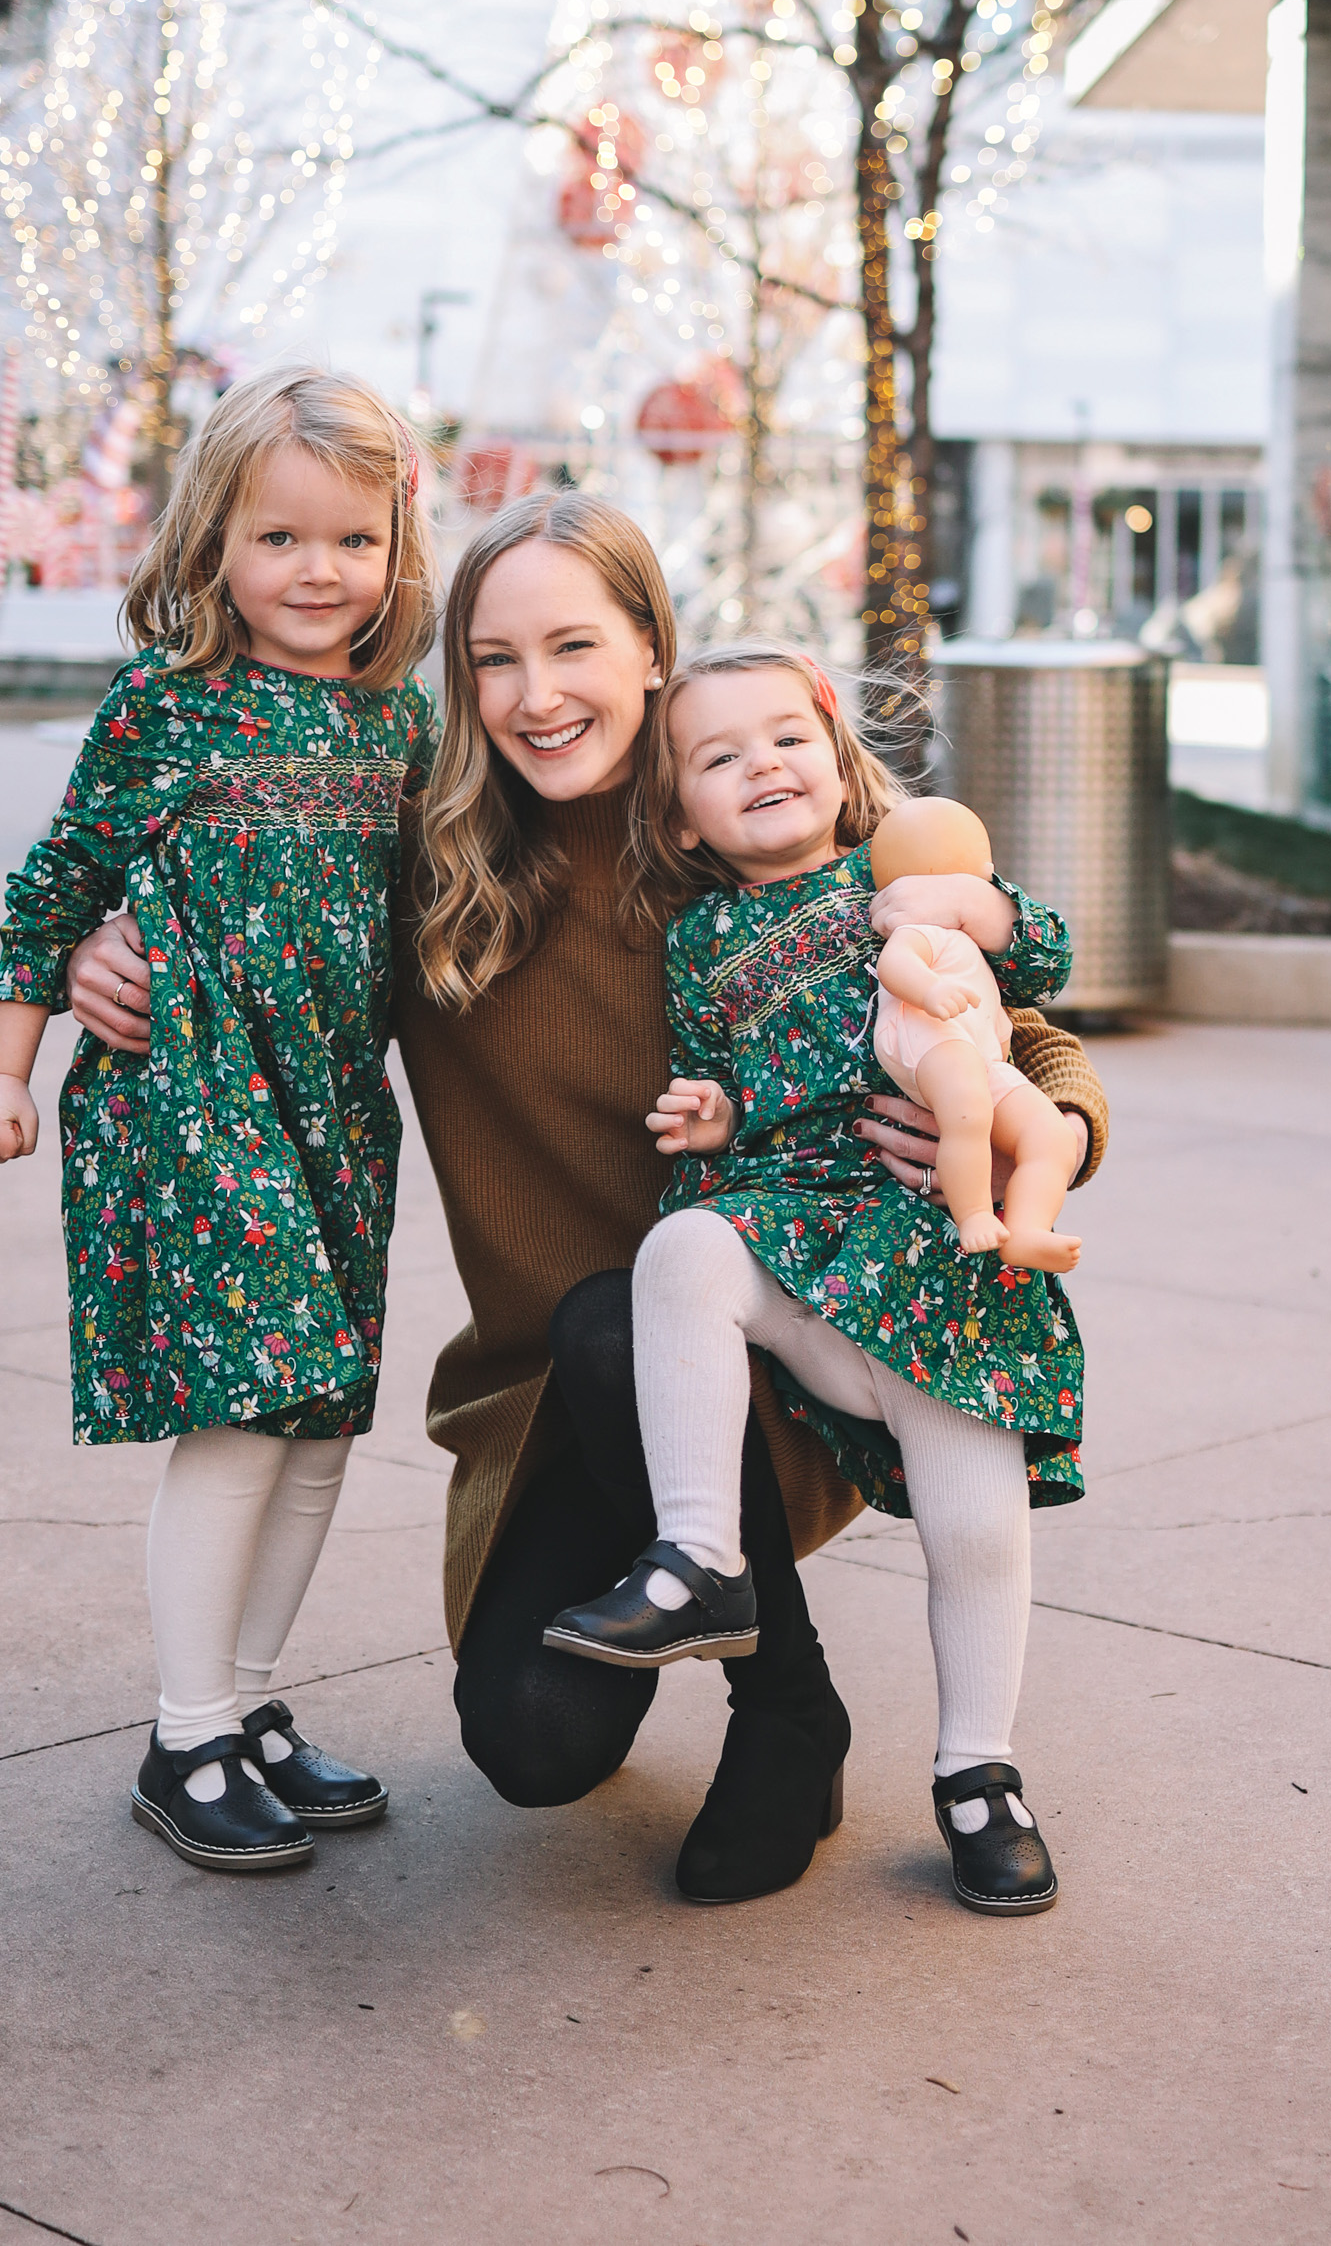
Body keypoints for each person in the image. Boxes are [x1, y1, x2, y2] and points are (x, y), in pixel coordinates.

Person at [65, 492, 1109, 1906]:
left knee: (644, 1297)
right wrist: (112, 953)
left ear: (651, 655)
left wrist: (1049, 1125)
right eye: (494, 659)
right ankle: (710, 1624)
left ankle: (787, 1712)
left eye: (574, 646)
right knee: (532, 1745)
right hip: (560, 1391)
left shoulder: (747, 814)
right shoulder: (426, 868)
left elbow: (993, 997)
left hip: (774, 1358)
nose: (537, 695)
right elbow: (253, 924)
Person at [0, 369, 440, 1874]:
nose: (318, 572)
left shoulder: (401, 726)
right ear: (213, 542)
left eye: (352, 542)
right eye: (280, 538)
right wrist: (4, 1067)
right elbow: (58, 882)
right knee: (251, 1400)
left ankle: (240, 1706)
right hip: (185, 1089)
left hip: (331, 1111)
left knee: (319, 1421)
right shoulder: (167, 707)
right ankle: (184, 1742)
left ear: (396, 550)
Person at [544, 644, 1085, 1915]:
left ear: (839, 758)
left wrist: (981, 913)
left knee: (976, 1523)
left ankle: (978, 1774)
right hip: (794, 1234)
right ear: (681, 813)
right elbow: (728, 1072)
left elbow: (1045, 961)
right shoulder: (703, 938)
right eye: (718, 758)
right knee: (678, 1249)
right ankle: (697, 1560)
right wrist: (715, 1115)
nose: (761, 768)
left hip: (927, 1254)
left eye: (785, 739)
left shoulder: (900, 876)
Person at [869, 795, 1083, 1273]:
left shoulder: (967, 934)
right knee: (968, 1111)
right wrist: (930, 989)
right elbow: (895, 963)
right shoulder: (918, 926)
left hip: (974, 1050)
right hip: (926, 1034)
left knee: (1049, 1134)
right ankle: (974, 1215)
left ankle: (1027, 1228)